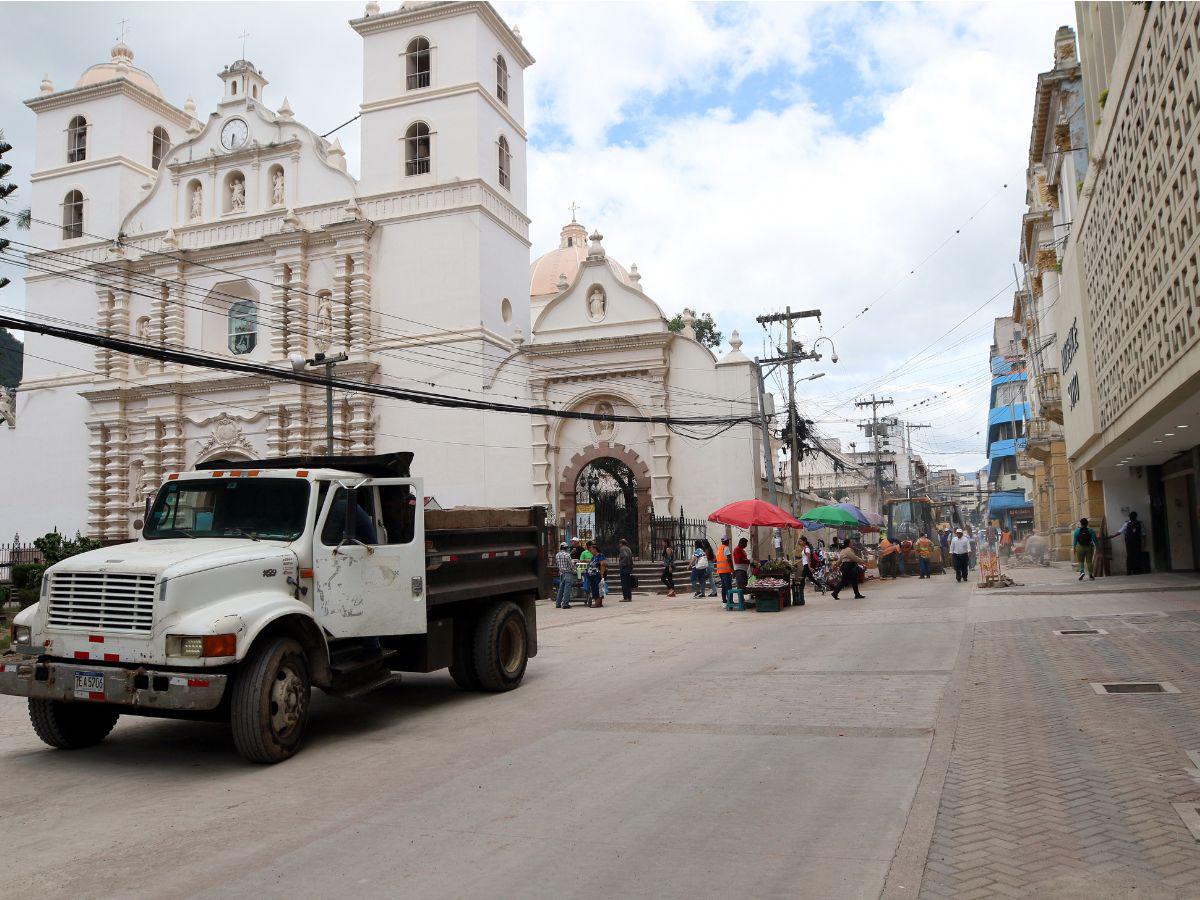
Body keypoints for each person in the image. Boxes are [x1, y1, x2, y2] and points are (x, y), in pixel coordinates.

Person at [1117, 511, 1144, 575]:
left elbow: (1143, 534)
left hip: (1134, 542)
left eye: (1132, 516)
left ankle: (1134, 571)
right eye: (1131, 516)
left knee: (1135, 556)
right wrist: (1112, 536)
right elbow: (1120, 531)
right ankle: (1131, 571)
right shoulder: (1127, 524)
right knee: (1131, 556)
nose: (1131, 517)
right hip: (1131, 542)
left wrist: (1144, 542)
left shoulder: (1139, 523)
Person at [1073, 517, 1098, 581]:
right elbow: (1095, 539)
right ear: (1087, 523)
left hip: (1079, 548)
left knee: (1081, 561)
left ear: (1081, 524)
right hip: (1089, 547)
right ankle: (1091, 575)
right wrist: (1097, 547)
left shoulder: (1077, 531)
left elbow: (1075, 541)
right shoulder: (1090, 530)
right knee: (1089, 561)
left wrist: (1074, 548)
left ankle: (1082, 572)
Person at [554, 541, 575, 609]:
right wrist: (574, 566)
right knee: (567, 589)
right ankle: (565, 604)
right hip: (568, 573)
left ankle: (558, 603)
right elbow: (571, 565)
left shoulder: (557, 555)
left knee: (561, 589)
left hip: (561, 573)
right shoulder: (567, 555)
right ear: (566, 548)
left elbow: (557, 564)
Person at [715, 536, 734, 604]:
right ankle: (730, 601)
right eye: (728, 541)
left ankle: (724, 601)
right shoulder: (726, 548)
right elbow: (729, 559)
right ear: (725, 541)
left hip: (720, 571)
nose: (728, 542)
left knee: (724, 586)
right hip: (726, 571)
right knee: (728, 587)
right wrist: (733, 570)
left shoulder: (719, 548)